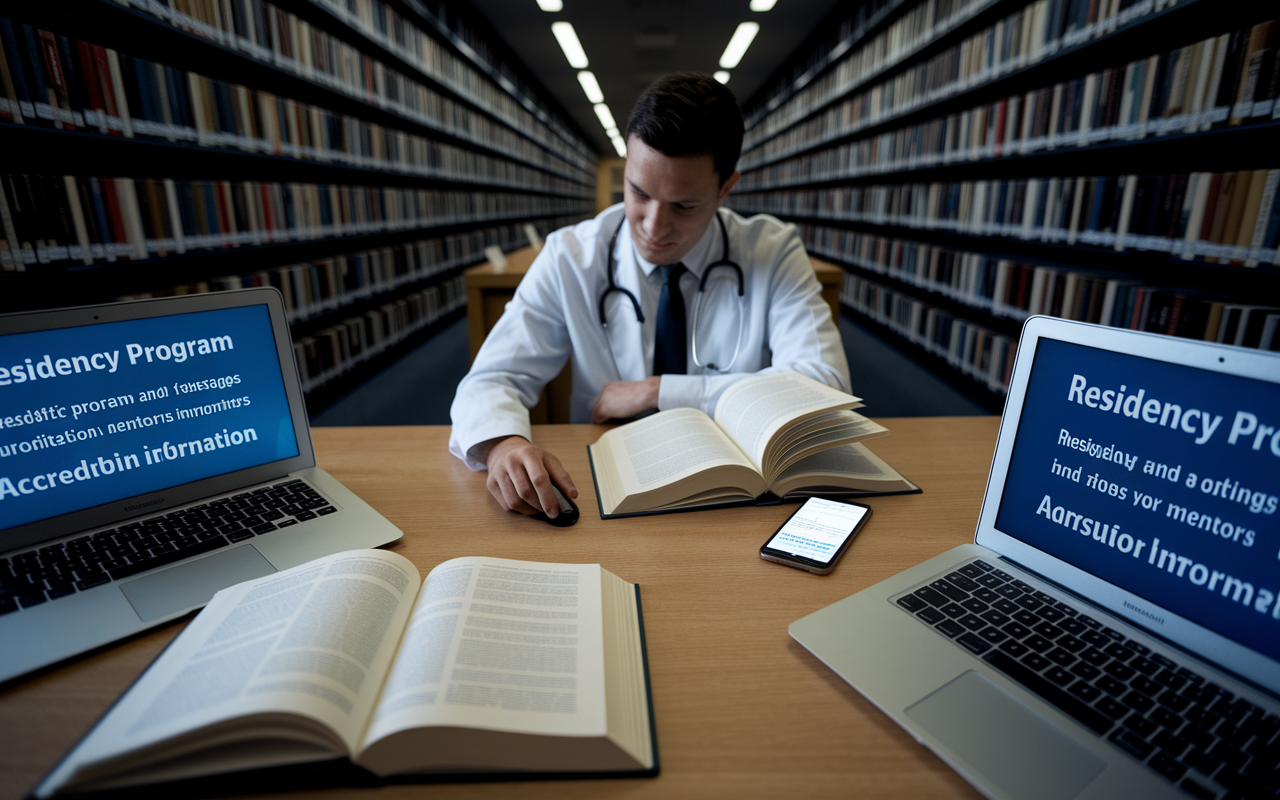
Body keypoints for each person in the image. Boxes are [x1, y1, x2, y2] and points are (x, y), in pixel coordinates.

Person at [449, 72, 850, 519]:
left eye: (684, 205)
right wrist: (503, 445)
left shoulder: (772, 251)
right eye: (639, 193)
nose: (653, 228)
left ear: (725, 189)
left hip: (737, 496)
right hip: (604, 488)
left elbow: (825, 387)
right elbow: (491, 379)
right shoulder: (570, 256)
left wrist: (660, 392)